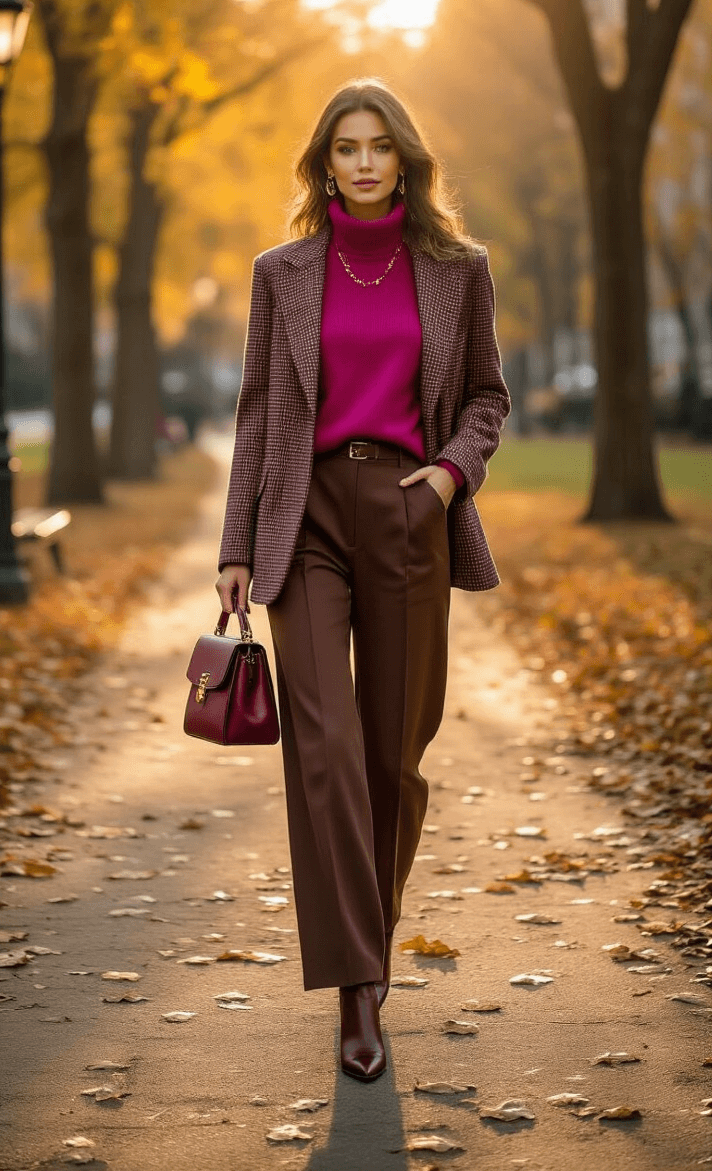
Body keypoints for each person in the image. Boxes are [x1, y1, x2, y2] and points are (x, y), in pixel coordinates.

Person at [216, 78, 510, 1082]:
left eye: (380, 145)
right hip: (303, 520)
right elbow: (259, 410)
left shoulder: (457, 270)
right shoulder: (283, 272)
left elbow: (486, 397)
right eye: (346, 148)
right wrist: (236, 545)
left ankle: (371, 941)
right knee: (327, 747)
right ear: (325, 165)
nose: (365, 162)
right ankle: (356, 985)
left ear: (406, 159)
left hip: (407, 511)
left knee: (393, 758)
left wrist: (447, 476)